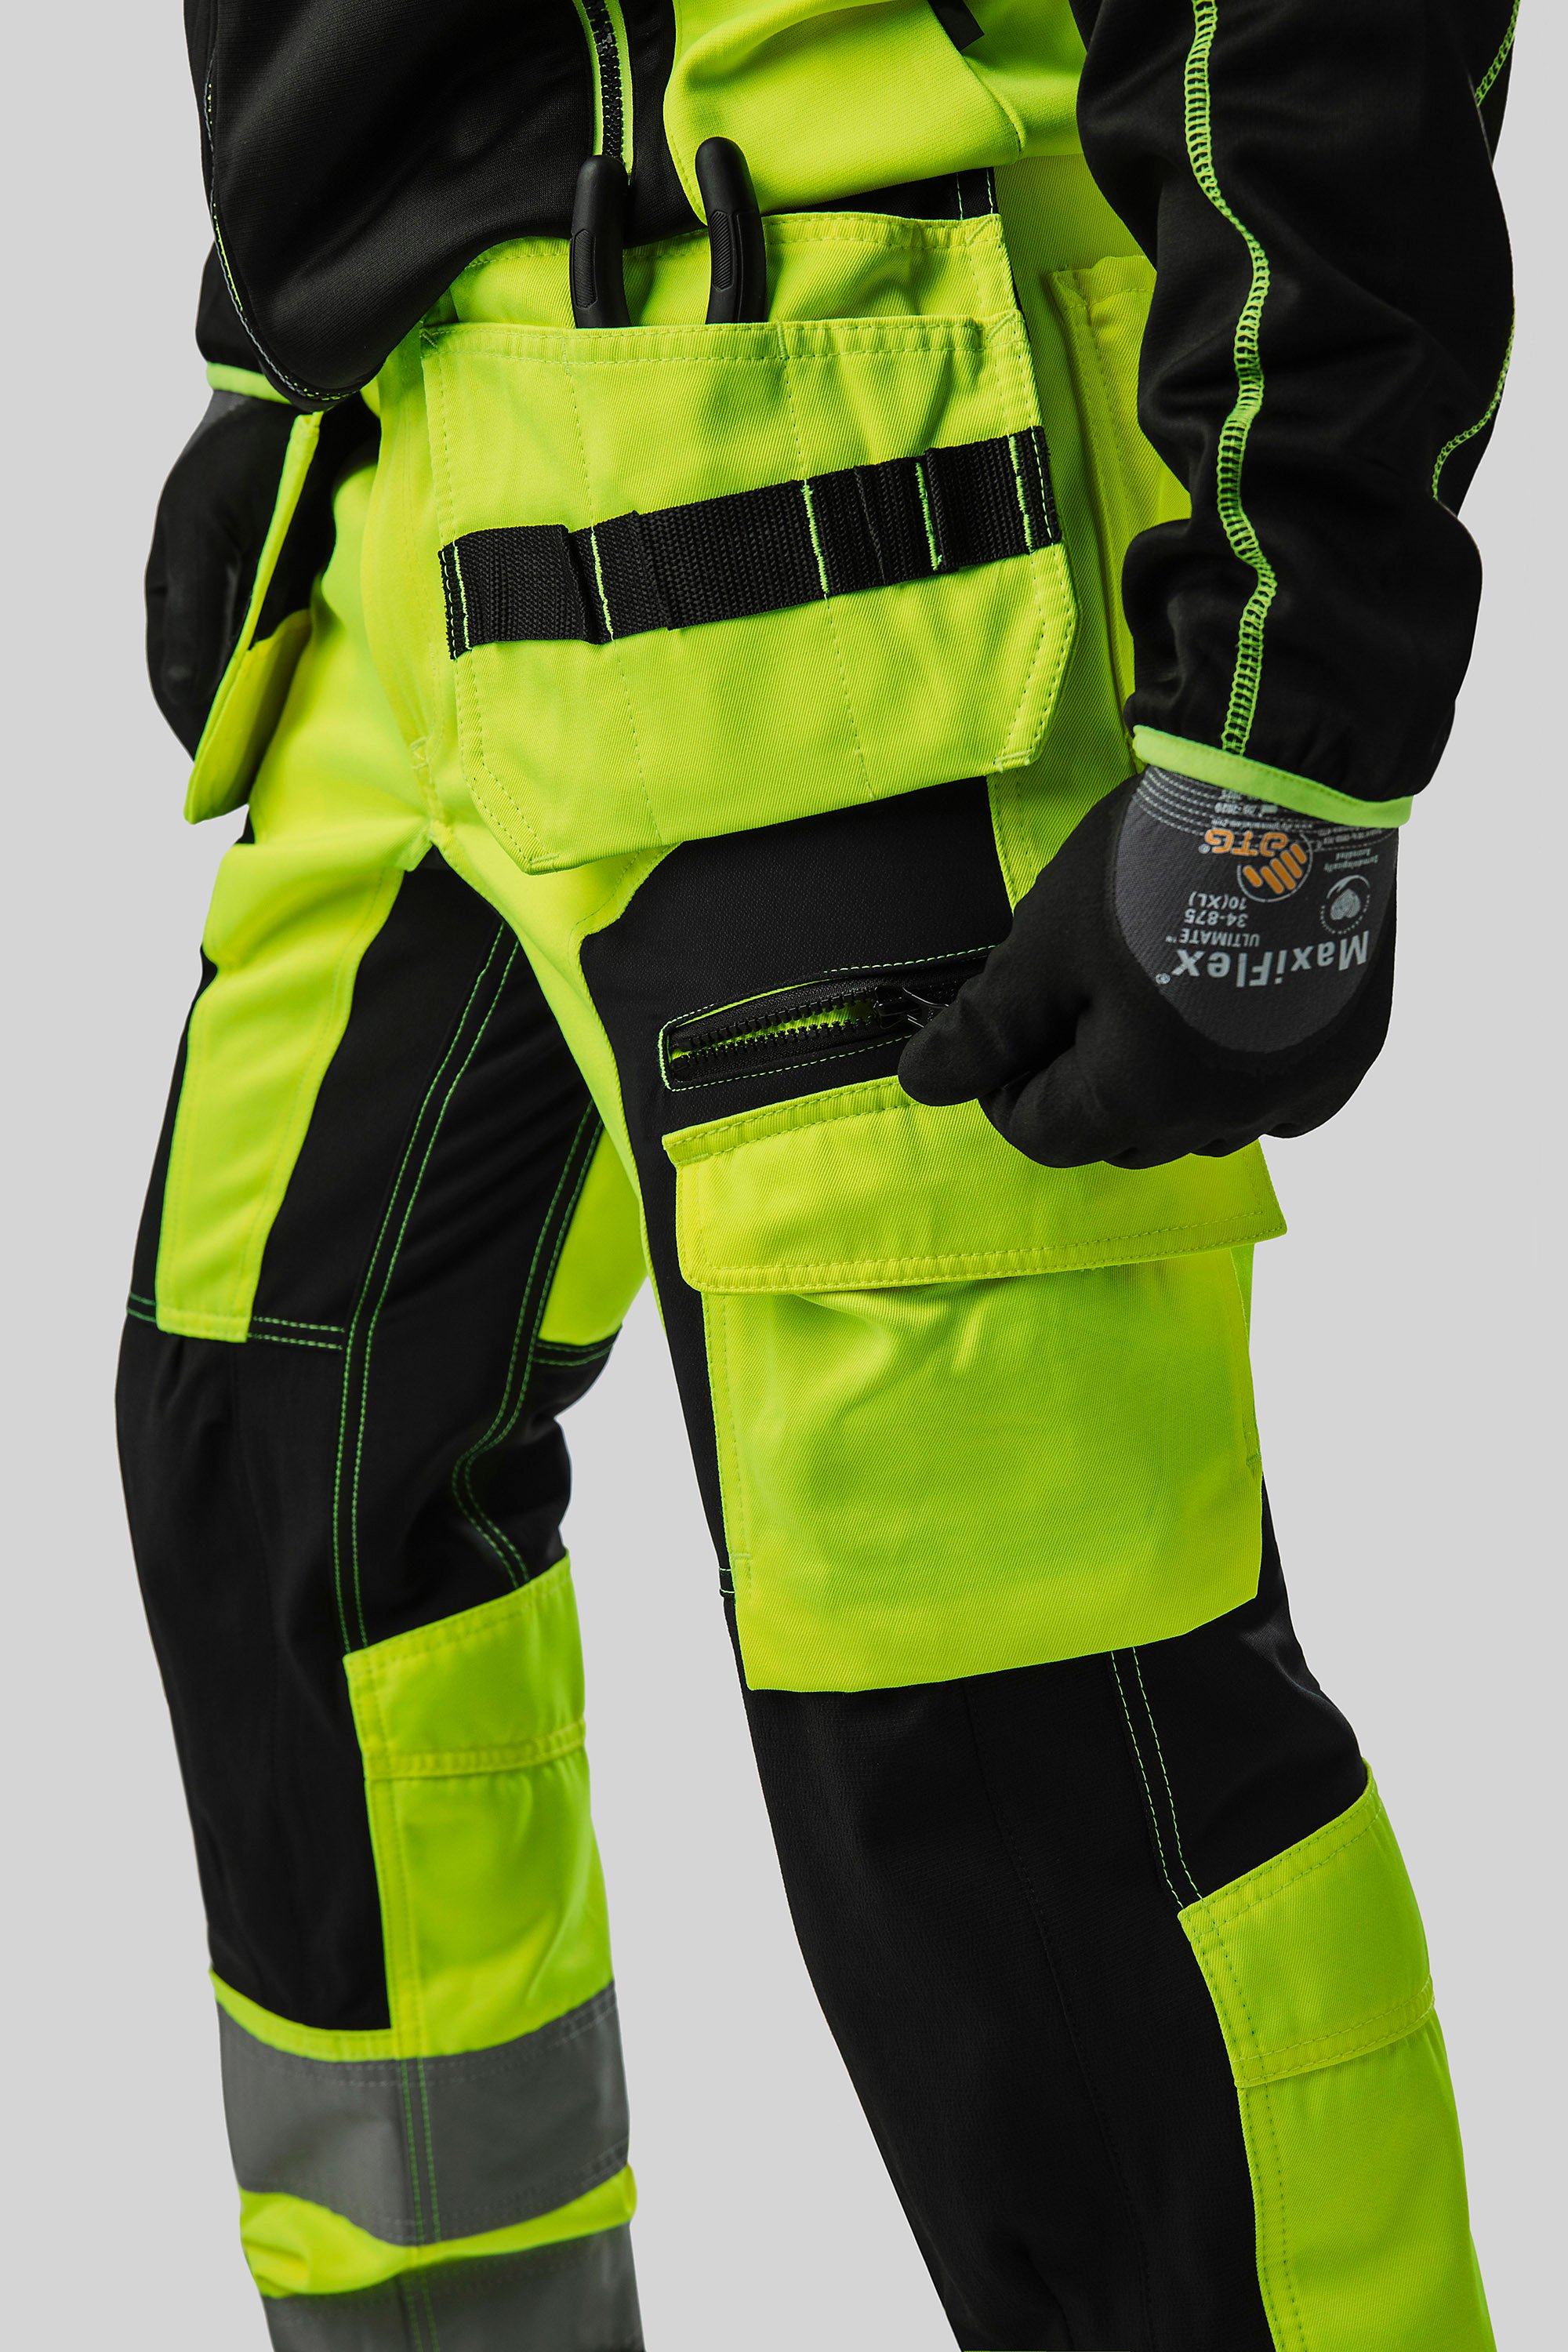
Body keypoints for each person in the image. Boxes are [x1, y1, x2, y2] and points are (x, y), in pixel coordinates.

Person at [121, 5, 1516, 2346]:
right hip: (404, 484)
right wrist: (281, 331)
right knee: (277, 1488)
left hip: (857, 466)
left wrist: (1288, 711)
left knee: (1013, 1765)